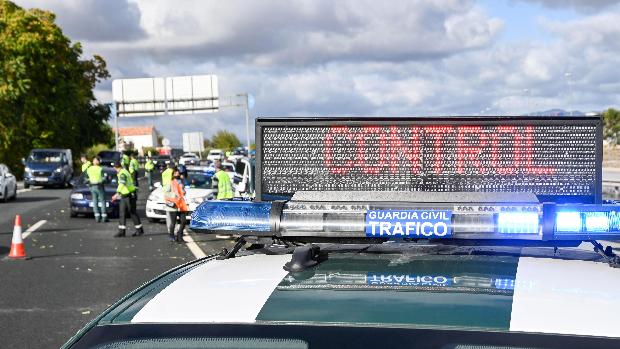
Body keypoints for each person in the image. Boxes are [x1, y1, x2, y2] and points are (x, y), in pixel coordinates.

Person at [112, 162, 144, 237]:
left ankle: (139, 230)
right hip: (125, 195)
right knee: (122, 212)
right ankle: (121, 232)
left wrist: (117, 194)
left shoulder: (122, 173)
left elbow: (122, 183)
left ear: (116, 168)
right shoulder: (124, 172)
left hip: (129, 195)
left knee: (132, 212)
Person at [164, 167, 189, 243]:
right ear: (172, 174)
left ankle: (179, 235)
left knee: (183, 221)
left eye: (178, 173)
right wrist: (173, 198)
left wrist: (183, 190)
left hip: (181, 205)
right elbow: (166, 194)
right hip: (173, 205)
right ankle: (172, 236)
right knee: (173, 222)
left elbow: (183, 192)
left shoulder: (181, 182)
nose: (177, 174)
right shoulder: (170, 183)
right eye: (175, 173)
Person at [85, 157, 108, 222]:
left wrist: (89, 183)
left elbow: (86, 179)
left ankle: (97, 217)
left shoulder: (89, 169)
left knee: (95, 202)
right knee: (103, 201)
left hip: (92, 187)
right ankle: (104, 217)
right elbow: (104, 178)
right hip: (99, 186)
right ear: (98, 162)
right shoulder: (100, 169)